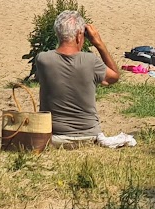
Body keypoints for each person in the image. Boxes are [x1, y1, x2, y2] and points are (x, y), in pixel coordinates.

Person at [32, 11, 132, 148]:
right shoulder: (91, 61)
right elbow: (114, 77)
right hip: (89, 137)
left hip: (54, 137)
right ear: (80, 35)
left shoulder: (43, 59)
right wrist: (99, 43)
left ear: (58, 33)